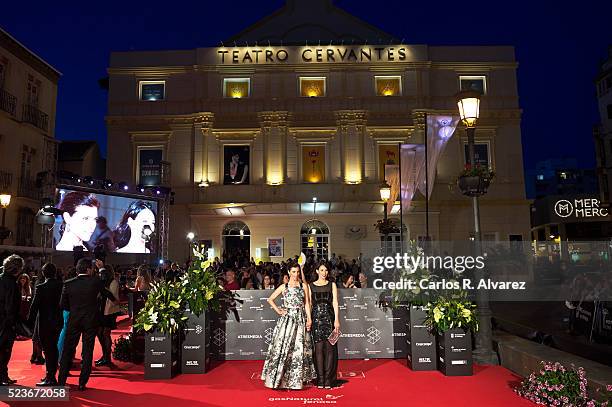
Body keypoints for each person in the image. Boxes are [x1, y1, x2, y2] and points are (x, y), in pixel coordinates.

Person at [57, 258, 116, 391]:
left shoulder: (68, 283)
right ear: (89, 269)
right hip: (91, 320)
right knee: (87, 351)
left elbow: (63, 305)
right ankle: (82, 383)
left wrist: (75, 310)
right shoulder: (95, 282)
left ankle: (61, 380)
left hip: (74, 320)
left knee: (68, 350)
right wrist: (101, 268)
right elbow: (106, 284)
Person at [261, 263, 315, 389]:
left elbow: (307, 303)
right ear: (289, 272)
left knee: (298, 348)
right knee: (284, 347)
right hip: (287, 320)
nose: (296, 274)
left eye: (297, 272)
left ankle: (296, 380)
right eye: (293, 272)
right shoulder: (284, 286)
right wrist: (279, 310)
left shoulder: (304, 286)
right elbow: (270, 299)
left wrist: (309, 319)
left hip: (300, 319)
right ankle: (280, 378)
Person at [27, 263, 63, 386]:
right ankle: (51, 375)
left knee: (48, 350)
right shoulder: (61, 285)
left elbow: (34, 307)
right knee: (53, 348)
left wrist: (28, 324)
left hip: (45, 323)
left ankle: (50, 377)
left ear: (43, 273)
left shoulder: (41, 287)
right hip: (58, 321)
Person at [309, 261, 340, 389]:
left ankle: (328, 379)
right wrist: (309, 320)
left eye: (326, 270)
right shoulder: (310, 286)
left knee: (330, 349)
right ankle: (320, 379)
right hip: (316, 320)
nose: (324, 273)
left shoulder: (332, 285)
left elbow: (335, 303)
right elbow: (309, 305)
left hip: (329, 318)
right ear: (317, 271)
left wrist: (337, 320)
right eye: (322, 270)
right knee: (318, 350)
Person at [0, 255, 24, 385]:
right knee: (5, 350)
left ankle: (3, 376)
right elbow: (10, 306)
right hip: (6, 323)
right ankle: (3, 377)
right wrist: (13, 324)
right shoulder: (12, 284)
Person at [96, 265, 120, 367]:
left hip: (109, 312)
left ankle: (107, 358)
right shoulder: (102, 282)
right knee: (100, 333)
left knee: (105, 333)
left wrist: (103, 289)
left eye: (103, 273)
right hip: (101, 311)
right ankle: (104, 355)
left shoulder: (113, 282)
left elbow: (113, 298)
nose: (101, 275)